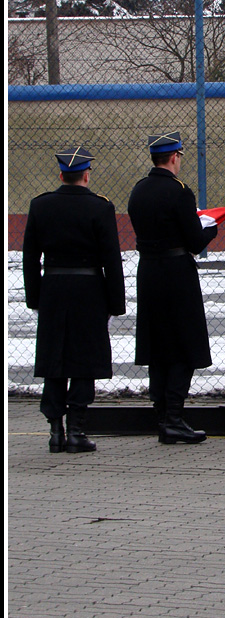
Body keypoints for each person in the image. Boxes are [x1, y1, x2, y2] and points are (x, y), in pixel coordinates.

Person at [23, 146, 126, 453]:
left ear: (61, 175)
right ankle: (77, 430)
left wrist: (35, 297)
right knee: (84, 359)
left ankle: (55, 430)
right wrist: (115, 302)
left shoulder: (40, 206)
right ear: (85, 174)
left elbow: (30, 257)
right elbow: (112, 259)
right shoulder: (100, 208)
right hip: (89, 289)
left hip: (54, 288)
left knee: (55, 357)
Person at [128, 132, 218, 444]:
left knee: (157, 345)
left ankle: (162, 414)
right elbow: (194, 241)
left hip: (149, 272)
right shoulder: (180, 192)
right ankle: (175, 418)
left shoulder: (139, 190)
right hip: (177, 273)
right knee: (183, 344)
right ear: (174, 157)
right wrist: (211, 228)